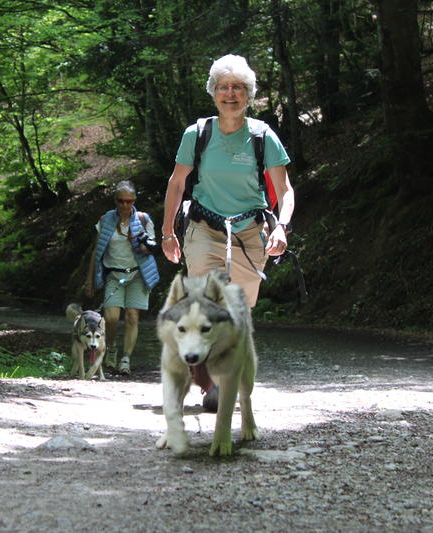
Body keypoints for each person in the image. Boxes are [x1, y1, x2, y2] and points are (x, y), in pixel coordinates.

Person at [161, 54, 295, 408]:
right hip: (204, 228)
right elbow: (177, 184)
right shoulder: (197, 134)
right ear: (213, 92)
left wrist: (281, 227)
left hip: (250, 233)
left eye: (237, 87)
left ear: (248, 93)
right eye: (223, 87)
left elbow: (285, 191)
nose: (230, 93)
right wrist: (167, 232)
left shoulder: (263, 136)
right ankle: (212, 385)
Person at [84, 180, 159, 375]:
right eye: (121, 201)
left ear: (134, 200)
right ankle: (111, 349)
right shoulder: (105, 220)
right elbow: (96, 251)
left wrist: (143, 245)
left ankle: (126, 359)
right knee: (111, 317)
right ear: (115, 200)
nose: (125, 205)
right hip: (114, 274)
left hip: (137, 274)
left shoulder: (143, 219)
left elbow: (151, 248)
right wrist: (89, 280)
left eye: (129, 201)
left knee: (132, 317)